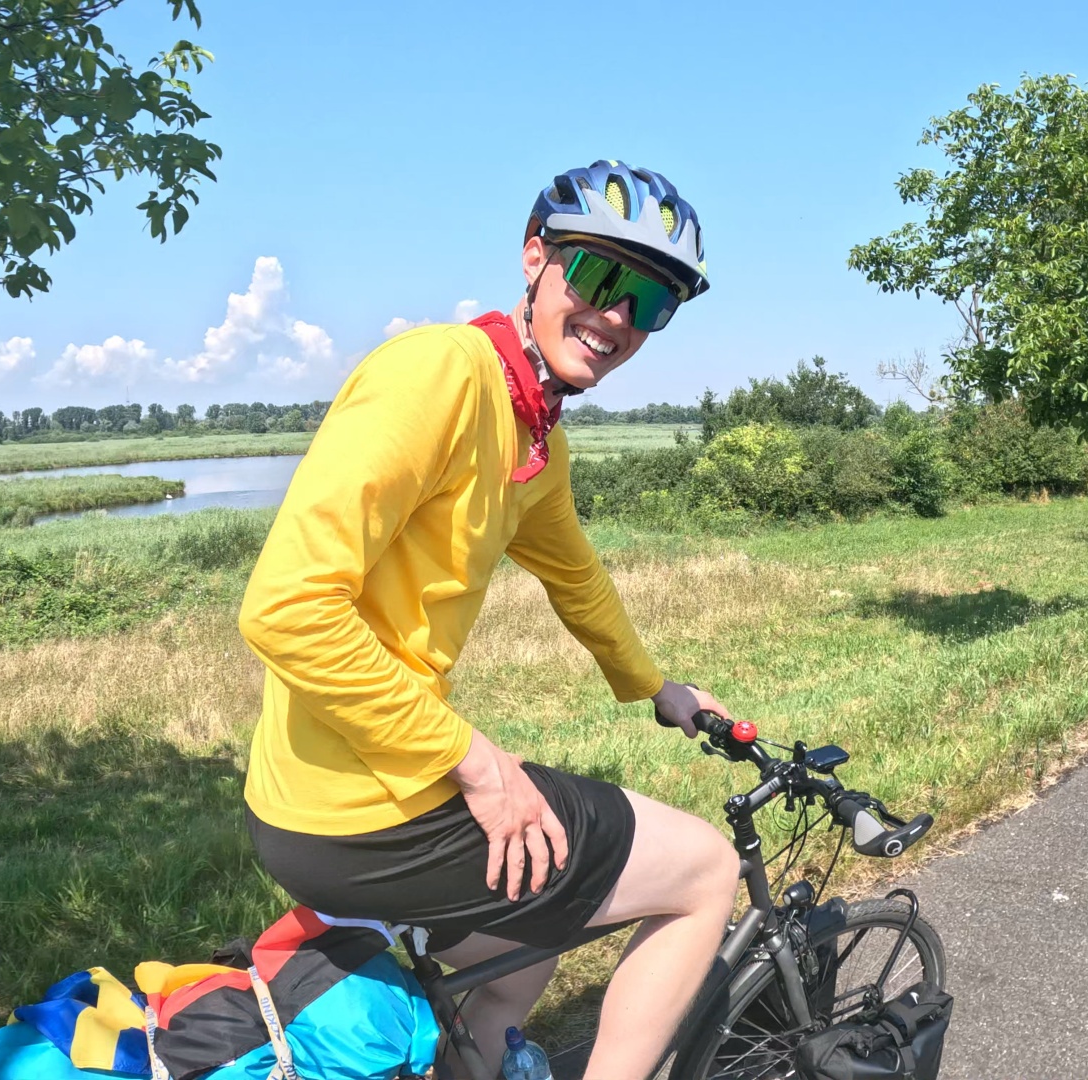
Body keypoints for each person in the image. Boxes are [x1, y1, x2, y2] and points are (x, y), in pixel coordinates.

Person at [237, 160, 740, 1080]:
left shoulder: (530, 427)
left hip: (322, 804)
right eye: (598, 278)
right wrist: (477, 762)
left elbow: (575, 577)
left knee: (532, 942)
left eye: (650, 303)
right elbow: (286, 607)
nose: (618, 317)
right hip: (365, 810)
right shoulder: (440, 375)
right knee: (706, 869)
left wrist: (656, 688)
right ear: (534, 258)